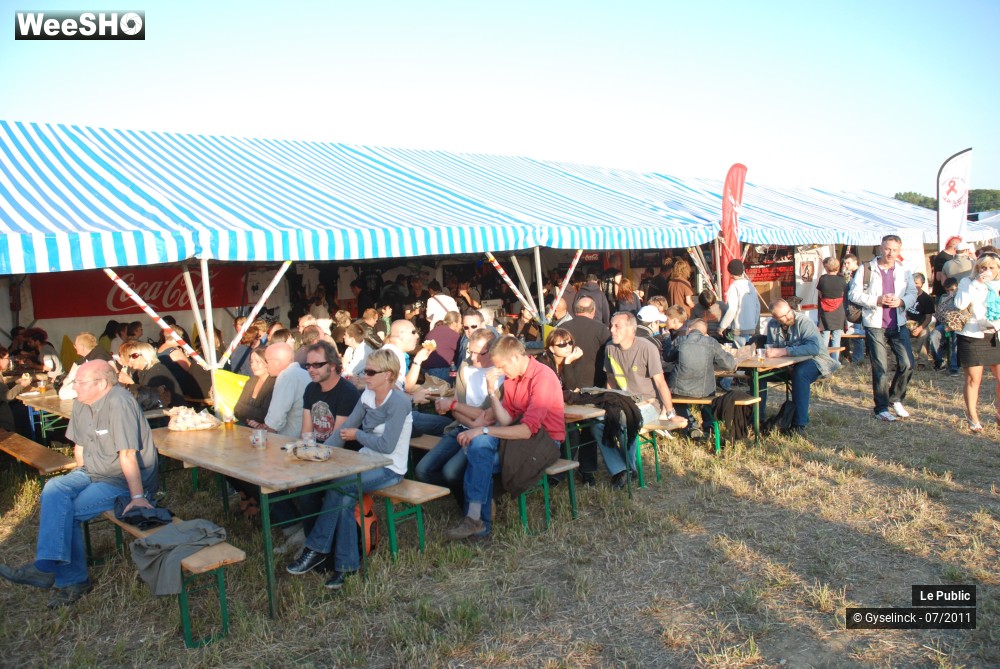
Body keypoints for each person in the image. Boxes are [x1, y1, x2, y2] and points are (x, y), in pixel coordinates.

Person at [0, 361, 158, 608]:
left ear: (102, 384)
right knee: (53, 489)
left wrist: (138, 497)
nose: (74, 387)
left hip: (122, 479)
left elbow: (128, 455)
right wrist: (78, 480)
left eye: (80, 382)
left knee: (68, 511)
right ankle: (48, 567)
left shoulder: (119, 403)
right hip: (92, 470)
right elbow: (80, 447)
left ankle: (69, 579)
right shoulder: (82, 402)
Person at [285, 349, 411, 589]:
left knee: (341, 487)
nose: (365, 376)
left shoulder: (399, 402)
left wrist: (358, 435)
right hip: (366, 461)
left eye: (371, 372)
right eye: (365, 371)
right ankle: (345, 567)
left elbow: (387, 446)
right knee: (343, 496)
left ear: (388, 374)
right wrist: (320, 453)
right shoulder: (367, 396)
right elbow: (342, 433)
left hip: (390, 467)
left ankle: (316, 548)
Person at [446, 336, 565, 540]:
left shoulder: (543, 377)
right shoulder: (512, 377)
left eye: (501, 366)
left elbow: (526, 431)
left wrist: (483, 430)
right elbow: (507, 420)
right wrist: (492, 392)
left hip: (545, 441)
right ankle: (475, 520)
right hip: (520, 437)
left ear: (516, 357)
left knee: (480, 455)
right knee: (479, 446)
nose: (499, 371)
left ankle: (477, 521)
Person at [598, 312, 687, 488]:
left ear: (631, 329)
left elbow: (660, 382)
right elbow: (610, 380)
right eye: (611, 326)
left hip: (649, 403)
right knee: (596, 423)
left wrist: (670, 413)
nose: (611, 330)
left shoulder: (647, 348)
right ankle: (620, 469)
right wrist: (608, 401)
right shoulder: (610, 348)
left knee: (626, 421)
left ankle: (629, 468)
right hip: (623, 402)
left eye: (616, 326)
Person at [415, 328, 499, 501]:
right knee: (422, 470)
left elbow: (486, 415)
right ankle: (469, 493)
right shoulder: (466, 366)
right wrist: (470, 420)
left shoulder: (500, 373)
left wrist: (455, 406)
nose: (473, 357)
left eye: (479, 353)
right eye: (470, 351)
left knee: (451, 472)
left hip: (484, 435)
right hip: (461, 427)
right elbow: (457, 410)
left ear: (492, 350)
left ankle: (476, 500)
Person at [848, 235, 918, 422]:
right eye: (887, 249)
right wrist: (876, 300)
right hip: (875, 323)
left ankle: (895, 398)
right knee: (880, 367)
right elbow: (853, 294)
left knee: (907, 363)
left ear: (899, 250)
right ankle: (881, 408)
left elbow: (913, 293)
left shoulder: (904, 270)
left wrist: (902, 301)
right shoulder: (866, 269)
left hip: (898, 322)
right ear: (880, 248)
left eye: (894, 250)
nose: (890, 253)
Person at [762, 299, 842, 435]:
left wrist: (785, 351)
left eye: (789, 312)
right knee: (758, 374)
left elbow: (813, 348)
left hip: (816, 361)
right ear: (775, 317)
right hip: (787, 364)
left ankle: (799, 425)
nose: (788, 316)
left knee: (800, 374)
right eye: (783, 316)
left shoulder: (804, 322)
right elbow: (771, 347)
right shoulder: (772, 325)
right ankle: (757, 420)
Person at [953, 252, 1000, 432]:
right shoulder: (968, 282)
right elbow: (959, 304)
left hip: (995, 334)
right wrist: (977, 283)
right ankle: (973, 417)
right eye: (983, 267)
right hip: (972, 334)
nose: (986, 271)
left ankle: (999, 413)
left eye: (991, 268)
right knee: (974, 379)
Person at [667, 319, 737, 438]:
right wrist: (730, 356)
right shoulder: (711, 342)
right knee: (708, 396)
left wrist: (666, 340)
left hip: (678, 388)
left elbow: (667, 357)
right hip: (704, 390)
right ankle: (709, 426)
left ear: (689, 329)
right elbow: (729, 365)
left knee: (674, 398)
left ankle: (690, 425)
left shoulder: (681, 340)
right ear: (705, 333)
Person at [301, 341, 361, 443]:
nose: (310, 369)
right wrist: (307, 449)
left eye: (316, 364)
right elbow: (307, 432)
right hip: (315, 449)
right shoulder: (310, 388)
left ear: (332, 365)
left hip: (340, 451)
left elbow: (337, 440)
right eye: (308, 365)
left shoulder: (348, 393)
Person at [248, 343, 311, 438]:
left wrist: (265, 438)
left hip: (288, 440)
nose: (265, 365)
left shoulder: (285, 376)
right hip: (307, 438)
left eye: (266, 361)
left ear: (276, 362)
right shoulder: (306, 374)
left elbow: (275, 419)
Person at [562, 296, 612, 388]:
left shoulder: (562, 328)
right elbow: (610, 353)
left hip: (568, 380)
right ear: (593, 311)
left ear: (575, 310)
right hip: (594, 383)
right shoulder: (600, 329)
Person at [117, 340, 183, 409]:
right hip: (158, 409)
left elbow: (149, 397)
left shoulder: (157, 370)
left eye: (134, 356)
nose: (130, 360)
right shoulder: (139, 372)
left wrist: (130, 383)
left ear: (145, 356)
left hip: (173, 410)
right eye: (129, 356)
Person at [717, 259, 760, 348]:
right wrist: (755, 324)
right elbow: (757, 306)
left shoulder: (734, 287)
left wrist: (722, 326)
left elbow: (732, 309)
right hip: (751, 327)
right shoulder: (750, 286)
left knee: (740, 354)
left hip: (739, 328)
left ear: (730, 273)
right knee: (749, 352)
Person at [59, 332, 114, 400]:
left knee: (64, 393)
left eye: (75, 345)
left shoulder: (98, 357)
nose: (74, 347)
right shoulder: (91, 354)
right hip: (95, 387)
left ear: (82, 347)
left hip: (102, 390)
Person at [233, 348, 275, 425]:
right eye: (251, 361)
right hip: (245, 424)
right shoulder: (251, 381)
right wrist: (249, 419)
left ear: (267, 363)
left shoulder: (274, 384)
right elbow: (237, 409)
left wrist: (244, 410)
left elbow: (265, 414)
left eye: (257, 362)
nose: (253, 365)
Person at [816, 257, 848, 361]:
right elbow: (844, 294)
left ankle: (824, 360)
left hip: (826, 311)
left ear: (826, 267)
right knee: (836, 337)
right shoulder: (842, 279)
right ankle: (835, 361)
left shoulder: (823, 279)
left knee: (825, 336)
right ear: (838, 267)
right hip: (838, 311)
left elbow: (820, 294)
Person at [905, 273, 937, 369]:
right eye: (913, 283)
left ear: (922, 284)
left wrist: (919, 328)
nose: (915, 285)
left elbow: (928, 318)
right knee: (898, 334)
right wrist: (908, 323)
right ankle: (898, 362)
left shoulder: (927, 299)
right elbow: (903, 312)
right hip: (907, 322)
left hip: (921, 324)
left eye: (917, 283)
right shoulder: (906, 296)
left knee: (924, 334)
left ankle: (922, 362)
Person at [422, 311, 463, 384]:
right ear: (454, 323)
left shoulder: (433, 331)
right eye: (460, 323)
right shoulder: (454, 335)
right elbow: (461, 353)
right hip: (442, 371)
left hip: (425, 370)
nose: (461, 326)